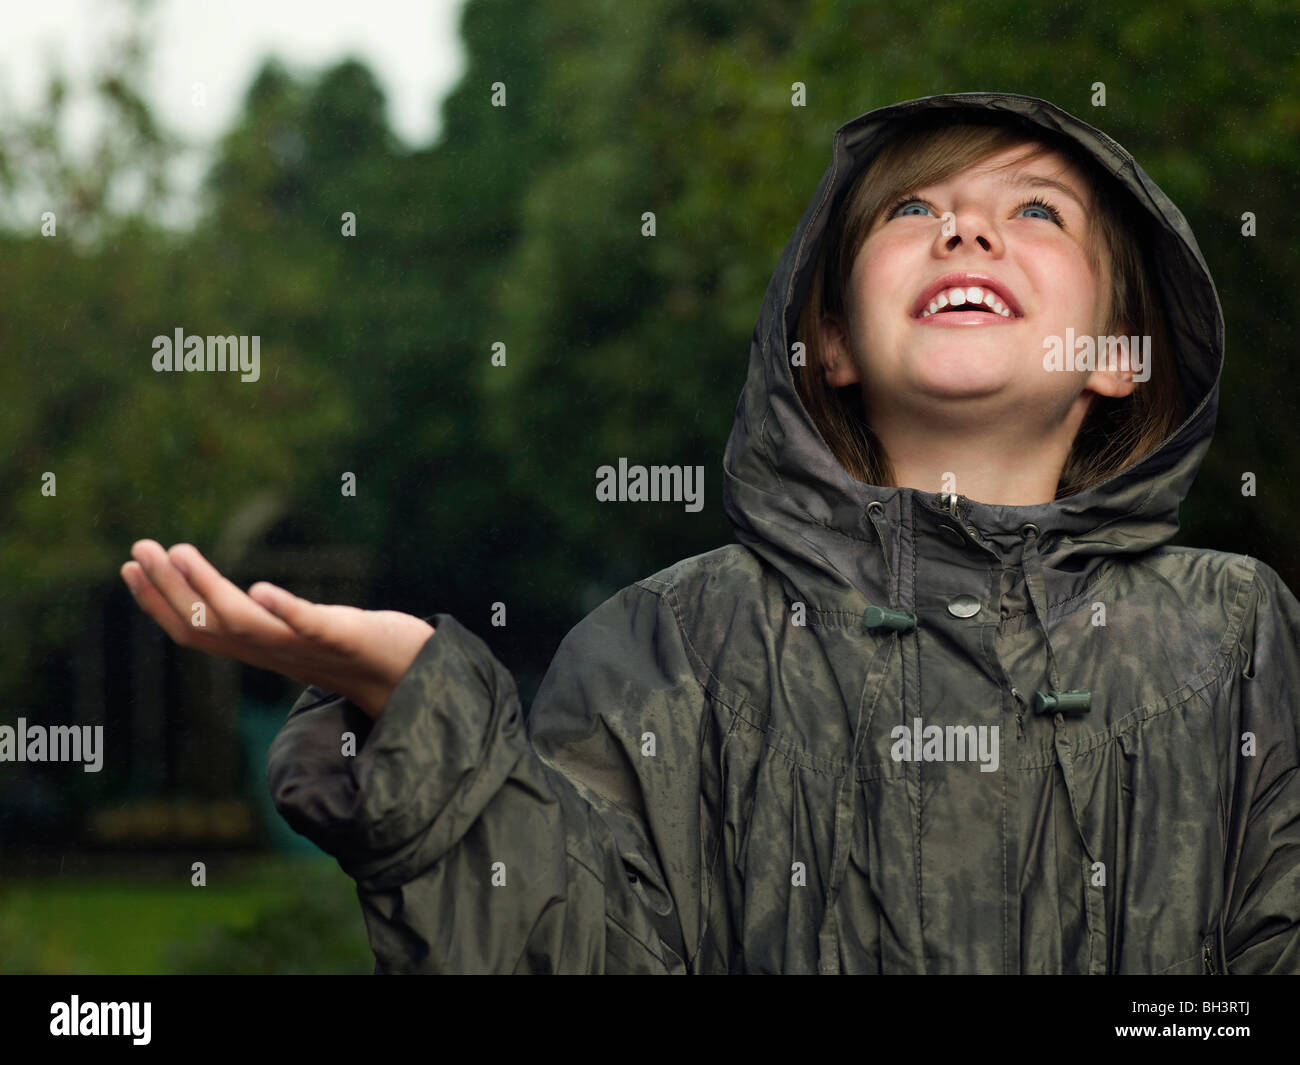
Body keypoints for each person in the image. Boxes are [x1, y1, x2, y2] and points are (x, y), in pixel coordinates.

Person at [121, 91, 1300, 974]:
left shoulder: (1236, 636)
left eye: (1034, 210)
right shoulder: (667, 646)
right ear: (827, 344)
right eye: (912, 209)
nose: (965, 233)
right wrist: (417, 708)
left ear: (1114, 359)